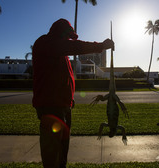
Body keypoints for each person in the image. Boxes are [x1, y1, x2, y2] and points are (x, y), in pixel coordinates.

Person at [32, 18, 114, 168]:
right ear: (60, 32)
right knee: (52, 155)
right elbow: (75, 46)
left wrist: (69, 99)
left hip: (62, 106)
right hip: (51, 107)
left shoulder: (61, 54)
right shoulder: (46, 43)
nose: (68, 39)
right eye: (67, 36)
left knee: (62, 151)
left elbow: (62, 78)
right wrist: (101, 46)